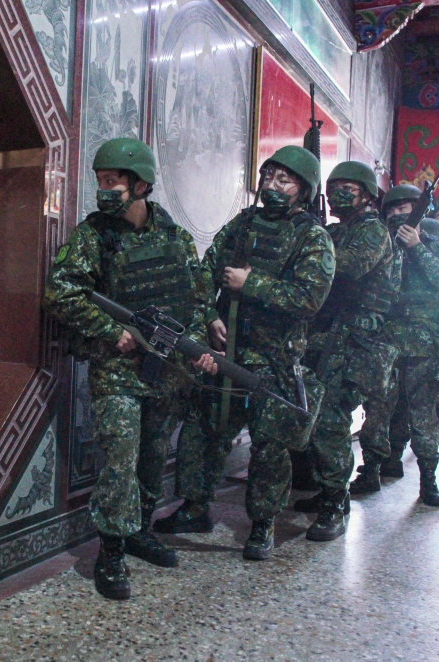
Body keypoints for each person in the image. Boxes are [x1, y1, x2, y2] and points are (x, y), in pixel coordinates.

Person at [44, 137, 217, 601]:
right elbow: (61, 292)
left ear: (140, 184)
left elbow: (196, 298)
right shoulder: (93, 235)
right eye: (100, 181)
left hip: (166, 371)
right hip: (118, 371)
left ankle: (139, 530)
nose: (104, 190)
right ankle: (111, 550)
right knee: (119, 460)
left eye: (113, 182)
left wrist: (198, 346)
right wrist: (109, 330)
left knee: (152, 456)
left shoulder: (175, 237)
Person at [154, 146, 333, 561]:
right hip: (225, 348)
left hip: (274, 360)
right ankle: (195, 507)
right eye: (268, 176)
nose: (271, 185)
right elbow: (205, 271)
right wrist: (208, 315)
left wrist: (251, 284)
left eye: (283, 179)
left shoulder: (313, 238)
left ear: (303, 190)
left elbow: (309, 298)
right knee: (203, 427)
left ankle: (263, 523)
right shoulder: (243, 224)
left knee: (269, 445)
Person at [290, 162, 396, 541]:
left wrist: (312, 244)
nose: (337, 193)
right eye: (332, 187)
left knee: (331, 419)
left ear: (367, 194)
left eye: (346, 187)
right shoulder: (337, 230)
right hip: (328, 334)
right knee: (317, 413)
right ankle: (328, 491)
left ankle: (336, 501)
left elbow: (347, 267)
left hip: (356, 339)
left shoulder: (373, 232)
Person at [362, 186, 439, 507]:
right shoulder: (383, 247)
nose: (396, 215)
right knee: (377, 412)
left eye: (404, 208)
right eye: (390, 211)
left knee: (425, 416)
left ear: (419, 211)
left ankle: (429, 479)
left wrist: (416, 247)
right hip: (387, 343)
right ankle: (371, 471)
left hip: (425, 346)